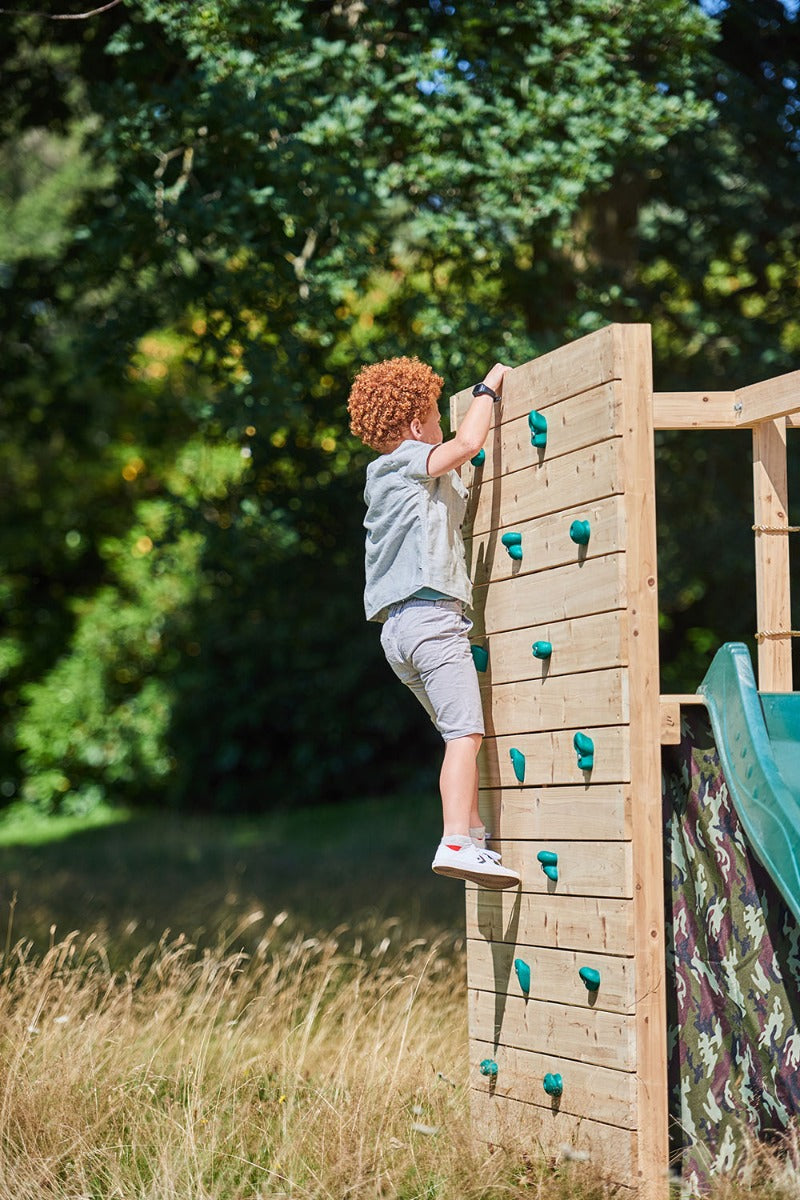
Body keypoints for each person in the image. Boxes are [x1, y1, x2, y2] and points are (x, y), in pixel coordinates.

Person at [347, 355, 520, 890]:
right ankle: (454, 841)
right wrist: (488, 389)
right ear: (414, 422)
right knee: (465, 733)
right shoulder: (404, 462)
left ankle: (475, 838)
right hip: (430, 621)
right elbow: (467, 445)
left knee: (455, 730)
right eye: (435, 418)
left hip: (397, 633)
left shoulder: (387, 478)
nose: (441, 428)